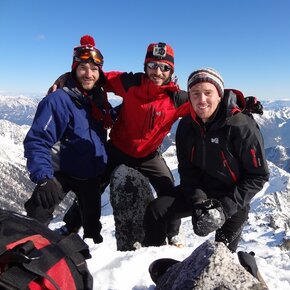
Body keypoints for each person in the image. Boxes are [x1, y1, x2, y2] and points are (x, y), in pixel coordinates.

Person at [50, 42, 190, 247]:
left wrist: (238, 102)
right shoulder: (130, 82)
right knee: (92, 187)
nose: (158, 72)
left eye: (164, 67)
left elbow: (205, 102)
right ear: (145, 66)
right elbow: (97, 77)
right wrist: (67, 77)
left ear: (171, 71)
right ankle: (71, 225)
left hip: (149, 155)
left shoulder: (177, 99)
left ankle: (172, 232)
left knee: (168, 190)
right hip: (117, 149)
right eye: (152, 65)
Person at [142, 68, 269, 252]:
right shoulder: (186, 125)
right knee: (156, 210)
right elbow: (187, 169)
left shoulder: (241, 126)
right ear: (189, 96)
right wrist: (198, 201)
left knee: (219, 254)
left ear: (219, 95)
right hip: (201, 191)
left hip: (232, 198)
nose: (201, 100)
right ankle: (153, 259)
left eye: (208, 93)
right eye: (195, 93)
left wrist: (224, 209)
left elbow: (258, 175)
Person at [23, 35, 114, 244]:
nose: (88, 74)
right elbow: (37, 140)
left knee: (92, 227)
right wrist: (43, 177)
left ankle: (89, 257)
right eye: (83, 67)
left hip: (90, 175)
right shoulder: (58, 100)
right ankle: (27, 252)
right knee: (38, 211)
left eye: (94, 69)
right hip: (60, 172)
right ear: (74, 69)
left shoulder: (98, 100)